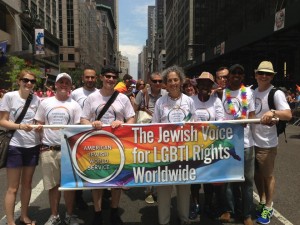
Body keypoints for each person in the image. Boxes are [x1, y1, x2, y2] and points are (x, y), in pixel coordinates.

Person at [80, 65, 135, 225]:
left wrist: (123, 124)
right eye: (107, 76)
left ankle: (114, 212)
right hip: (97, 145)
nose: (110, 79)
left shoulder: (123, 98)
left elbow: (132, 118)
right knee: (97, 181)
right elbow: (83, 119)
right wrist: (92, 123)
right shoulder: (92, 98)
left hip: (118, 145)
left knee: (117, 181)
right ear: (101, 78)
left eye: (113, 77)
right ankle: (97, 213)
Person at [35, 73, 82, 225]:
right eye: (60, 82)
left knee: (68, 185)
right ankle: (54, 216)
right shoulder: (45, 103)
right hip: (49, 150)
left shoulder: (74, 105)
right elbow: (39, 123)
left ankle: (69, 215)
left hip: (68, 150)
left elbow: (77, 128)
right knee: (52, 185)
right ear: (55, 84)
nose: (63, 85)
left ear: (70, 86)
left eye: (66, 83)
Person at [152, 65, 195, 225]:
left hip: (185, 152)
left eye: (176, 79)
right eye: (169, 80)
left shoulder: (189, 101)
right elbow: (154, 127)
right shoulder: (160, 102)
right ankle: (164, 221)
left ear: (181, 81)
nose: (173, 83)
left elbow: (195, 124)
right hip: (165, 153)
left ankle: (184, 219)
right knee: (163, 190)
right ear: (165, 83)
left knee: (184, 189)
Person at [252, 61, 292, 224]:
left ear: (272, 76)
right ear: (256, 74)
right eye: (261, 73)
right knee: (256, 175)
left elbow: (288, 115)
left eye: (268, 74)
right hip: (252, 142)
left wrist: (273, 111)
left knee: (267, 176)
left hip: (267, 143)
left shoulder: (276, 93)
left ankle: (268, 206)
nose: (264, 76)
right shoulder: (252, 91)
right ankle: (262, 201)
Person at [0, 70, 41, 225]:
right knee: (13, 187)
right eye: (25, 80)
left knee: (27, 184)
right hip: (15, 146)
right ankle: (11, 222)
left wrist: (38, 126)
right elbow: (2, 121)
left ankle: (24, 216)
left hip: (33, 145)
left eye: (32, 81)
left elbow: (38, 121)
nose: (29, 83)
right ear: (19, 81)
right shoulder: (10, 97)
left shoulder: (37, 99)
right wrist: (19, 126)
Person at [220, 64, 255, 225]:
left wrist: (246, 121)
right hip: (228, 142)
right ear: (229, 76)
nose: (237, 75)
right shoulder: (223, 94)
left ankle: (247, 214)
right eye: (234, 72)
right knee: (228, 179)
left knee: (247, 181)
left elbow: (253, 115)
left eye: (240, 73)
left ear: (243, 76)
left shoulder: (248, 92)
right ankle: (228, 210)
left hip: (247, 142)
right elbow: (220, 117)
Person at [191, 72, 225, 220]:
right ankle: (195, 204)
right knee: (194, 178)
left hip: (211, 145)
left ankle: (208, 204)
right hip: (193, 146)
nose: (205, 86)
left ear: (212, 86)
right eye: (202, 83)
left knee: (209, 178)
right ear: (197, 86)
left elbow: (221, 119)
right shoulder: (190, 100)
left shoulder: (216, 101)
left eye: (208, 84)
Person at [134, 72, 167, 203]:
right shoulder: (142, 93)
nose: (158, 83)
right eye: (155, 81)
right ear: (150, 81)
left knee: (160, 160)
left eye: (160, 81)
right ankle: (149, 190)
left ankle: (158, 188)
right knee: (148, 161)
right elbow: (134, 110)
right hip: (146, 132)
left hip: (162, 132)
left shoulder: (165, 93)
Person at [71, 68, 98, 210]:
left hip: (95, 135)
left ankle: (100, 194)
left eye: (92, 77)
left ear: (96, 78)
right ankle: (78, 197)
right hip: (78, 134)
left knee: (97, 165)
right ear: (83, 78)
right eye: (87, 77)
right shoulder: (75, 94)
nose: (90, 80)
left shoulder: (100, 93)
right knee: (79, 166)